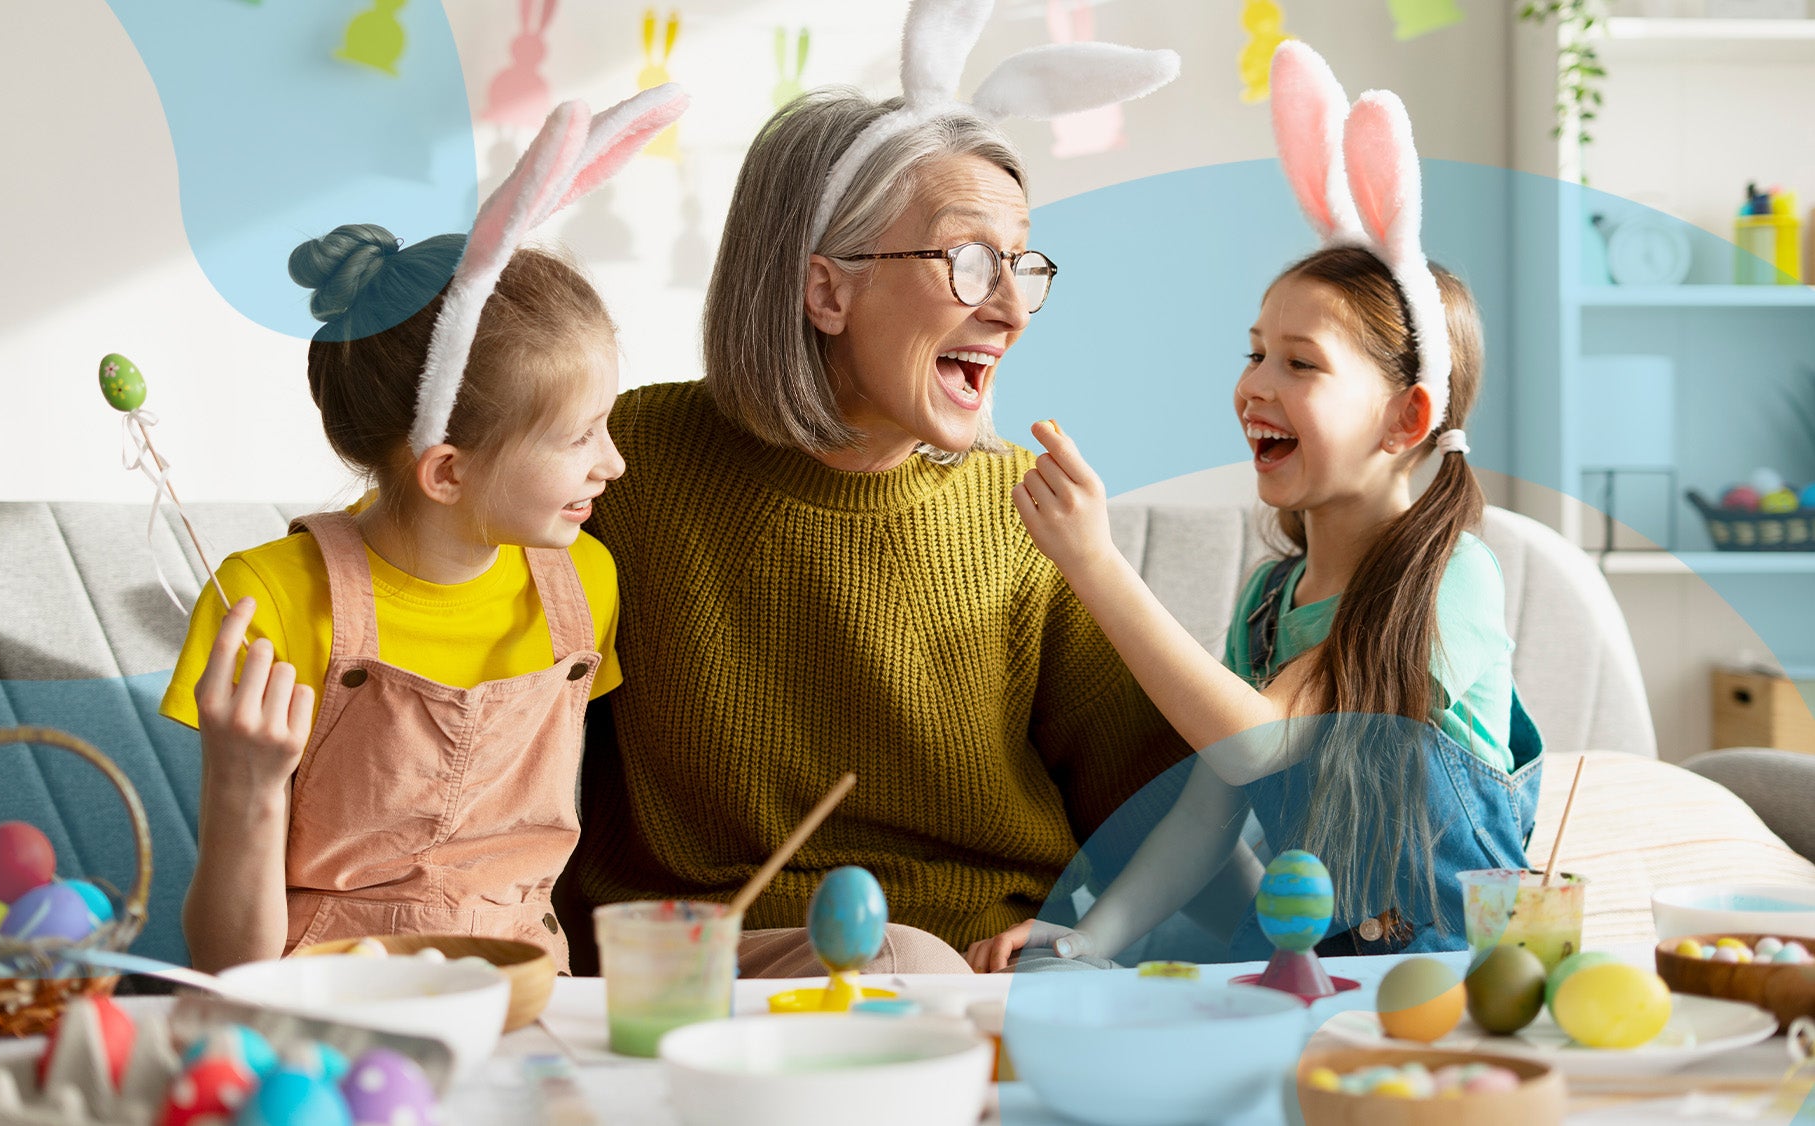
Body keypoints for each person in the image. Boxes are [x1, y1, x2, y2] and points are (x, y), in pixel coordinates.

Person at [555, 3, 1232, 977]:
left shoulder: (1024, 511)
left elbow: (1176, 806)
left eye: (1021, 264)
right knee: (902, 963)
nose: (1008, 307)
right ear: (824, 290)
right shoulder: (630, 461)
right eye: (965, 260)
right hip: (710, 967)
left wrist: (1091, 939)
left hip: (990, 977)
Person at [968, 41, 1544, 970]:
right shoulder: (1270, 603)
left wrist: (1094, 563)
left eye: (1300, 363)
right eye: (1253, 353)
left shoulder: (1452, 583)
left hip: (1449, 973)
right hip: (1307, 961)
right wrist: (1090, 938)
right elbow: (1209, 815)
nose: (1254, 386)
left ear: (1407, 416)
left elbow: (1252, 746)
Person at [160, 91, 686, 972]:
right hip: (337, 1016)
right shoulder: (267, 600)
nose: (614, 465)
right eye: (577, 437)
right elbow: (227, 973)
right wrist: (244, 784)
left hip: (532, 1000)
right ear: (446, 470)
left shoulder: (585, 582)